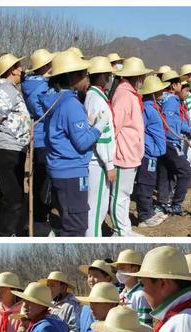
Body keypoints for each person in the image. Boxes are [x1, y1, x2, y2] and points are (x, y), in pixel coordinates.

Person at [41, 51, 105, 236]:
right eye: (84, 74)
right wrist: (98, 127)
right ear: (72, 77)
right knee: (76, 226)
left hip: (61, 169)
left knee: (68, 219)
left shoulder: (55, 100)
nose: (87, 79)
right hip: (71, 171)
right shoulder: (71, 105)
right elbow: (82, 142)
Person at [0, 53, 31, 237]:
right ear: (11, 71)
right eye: (18, 67)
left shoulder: (9, 88)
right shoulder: (5, 90)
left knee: (8, 193)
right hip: (5, 148)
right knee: (13, 197)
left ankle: (7, 229)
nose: (21, 71)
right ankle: (7, 233)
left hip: (13, 147)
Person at [111, 57, 152, 236]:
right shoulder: (123, 95)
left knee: (125, 193)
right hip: (124, 153)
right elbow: (114, 126)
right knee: (119, 195)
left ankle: (124, 228)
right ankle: (120, 230)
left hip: (131, 152)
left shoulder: (131, 94)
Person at [21, 49, 56, 236]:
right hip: (42, 137)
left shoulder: (34, 84)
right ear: (44, 67)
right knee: (43, 181)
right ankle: (40, 221)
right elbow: (43, 109)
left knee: (41, 179)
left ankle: (39, 216)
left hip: (39, 136)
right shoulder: (39, 88)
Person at [157, 72, 191, 216]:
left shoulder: (162, 98)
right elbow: (172, 123)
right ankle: (177, 204)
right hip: (171, 141)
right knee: (185, 172)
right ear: (174, 85)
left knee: (166, 171)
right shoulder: (172, 100)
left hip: (163, 140)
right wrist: (189, 130)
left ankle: (163, 202)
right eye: (180, 84)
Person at [84, 56, 117, 237]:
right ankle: (93, 236)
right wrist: (109, 163)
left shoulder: (94, 97)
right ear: (104, 77)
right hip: (99, 161)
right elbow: (103, 135)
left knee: (96, 205)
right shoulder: (97, 100)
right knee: (97, 208)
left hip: (97, 159)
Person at [135, 75, 168, 227]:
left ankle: (148, 211)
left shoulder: (154, 108)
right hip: (148, 153)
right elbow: (142, 131)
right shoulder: (147, 109)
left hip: (154, 153)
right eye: (159, 89)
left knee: (149, 182)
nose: (163, 91)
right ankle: (144, 215)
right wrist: (150, 147)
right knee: (146, 184)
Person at [111, 249, 153, 326]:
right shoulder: (121, 294)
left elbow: (145, 328)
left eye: (122, 268)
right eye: (118, 268)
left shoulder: (141, 295)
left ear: (135, 269)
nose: (118, 272)